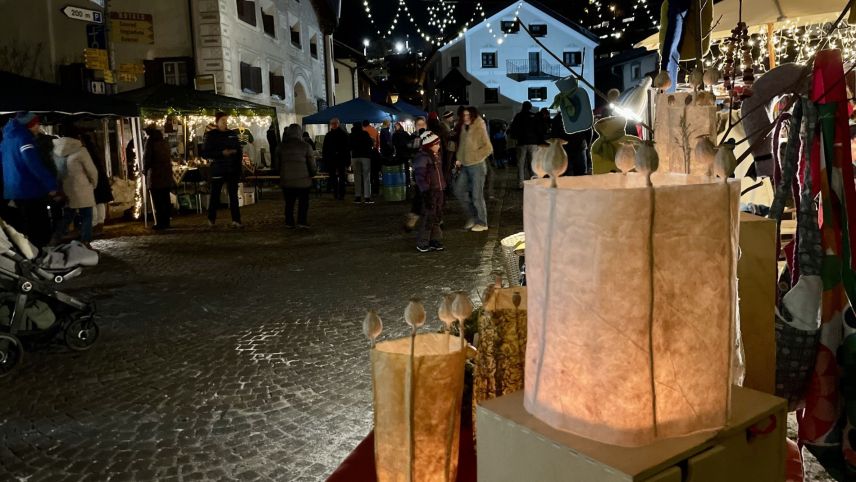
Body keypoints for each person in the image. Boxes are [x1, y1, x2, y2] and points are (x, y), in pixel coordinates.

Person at [0, 112, 58, 248]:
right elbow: (34, 164)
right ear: (30, 124)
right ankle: (40, 257)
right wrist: (51, 185)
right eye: (37, 124)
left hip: (13, 190)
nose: (38, 127)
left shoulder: (6, 139)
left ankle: (30, 254)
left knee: (24, 226)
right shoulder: (24, 138)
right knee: (38, 227)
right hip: (29, 189)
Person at [51, 131, 98, 248]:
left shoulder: (55, 151)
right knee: (87, 215)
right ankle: (85, 241)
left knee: (68, 215)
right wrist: (93, 183)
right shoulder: (81, 151)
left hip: (66, 188)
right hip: (82, 188)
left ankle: (56, 237)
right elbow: (92, 170)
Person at [202, 112, 243, 228]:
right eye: (223, 120)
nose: (225, 123)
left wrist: (238, 166)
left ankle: (236, 220)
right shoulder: (211, 135)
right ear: (217, 122)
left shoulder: (232, 134)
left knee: (233, 195)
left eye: (226, 120)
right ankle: (211, 218)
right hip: (218, 169)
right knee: (215, 195)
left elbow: (239, 151)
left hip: (232, 169)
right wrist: (221, 153)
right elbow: (205, 153)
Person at [456, 106, 492, 232]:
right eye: (464, 115)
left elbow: (488, 148)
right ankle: (473, 216)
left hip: (477, 166)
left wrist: (475, 156)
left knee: (477, 195)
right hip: (465, 166)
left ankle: (482, 222)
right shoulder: (463, 127)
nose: (465, 118)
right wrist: (459, 158)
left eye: (468, 115)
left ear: (473, 116)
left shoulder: (479, 126)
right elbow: (462, 145)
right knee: (459, 191)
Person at [277, 124, 317, 228]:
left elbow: (276, 165)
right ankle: (301, 221)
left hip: (287, 180)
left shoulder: (281, 146)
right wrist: (313, 173)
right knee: (303, 202)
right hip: (303, 181)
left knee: (289, 203)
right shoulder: (306, 146)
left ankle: (289, 222)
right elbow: (311, 164)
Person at [412, 130, 446, 253]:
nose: (438, 146)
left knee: (436, 217)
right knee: (428, 217)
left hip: (438, 190)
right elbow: (420, 177)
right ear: (429, 145)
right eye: (436, 144)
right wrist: (426, 192)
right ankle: (423, 241)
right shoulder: (422, 157)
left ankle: (435, 240)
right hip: (429, 192)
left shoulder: (436, 156)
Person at [143, 125, 174, 230]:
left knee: (158, 200)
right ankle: (166, 221)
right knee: (165, 198)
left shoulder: (150, 142)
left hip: (155, 175)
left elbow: (147, 158)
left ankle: (160, 222)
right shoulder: (164, 141)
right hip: (166, 174)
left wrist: (144, 170)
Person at [508, 101, 545, 188]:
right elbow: (539, 129)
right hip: (533, 143)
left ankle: (520, 184)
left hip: (521, 143)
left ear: (522, 107)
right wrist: (540, 140)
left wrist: (516, 138)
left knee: (520, 164)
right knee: (532, 164)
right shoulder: (534, 116)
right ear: (530, 107)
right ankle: (534, 182)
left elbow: (513, 129)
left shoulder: (518, 116)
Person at [322, 118, 350, 201]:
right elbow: (347, 149)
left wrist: (325, 159)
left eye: (334, 123)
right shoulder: (344, 135)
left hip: (333, 159)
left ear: (337, 124)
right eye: (332, 123)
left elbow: (325, 149)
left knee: (335, 177)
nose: (333, 125)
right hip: (339, 159)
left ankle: (337, 194)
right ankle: (340, 194)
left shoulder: (329, 135)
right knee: (340, 177)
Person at [349, 122, 375, 204]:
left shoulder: (351, 135)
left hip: (355, 156)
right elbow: (371, 143)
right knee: (366, 177)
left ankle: (358, 197)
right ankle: (367, 197)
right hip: (365, 156)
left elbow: (348, 146)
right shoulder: (365, 133)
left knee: (357, 177)